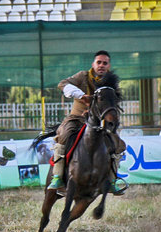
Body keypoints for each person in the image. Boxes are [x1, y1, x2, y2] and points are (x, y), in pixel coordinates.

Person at [47, 50, 127, 195]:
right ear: (93, 64)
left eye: (105, 63)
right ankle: (57, 177)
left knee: (119, 145)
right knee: (63, 135)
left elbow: (113, 105)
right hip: (76, 119)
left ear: (108, 66)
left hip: (100, 124)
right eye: (99, 62)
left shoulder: (111, 83)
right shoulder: (82, 76)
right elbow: (62, 84)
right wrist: (81, 95)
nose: (101, 65)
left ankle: (112, 180)